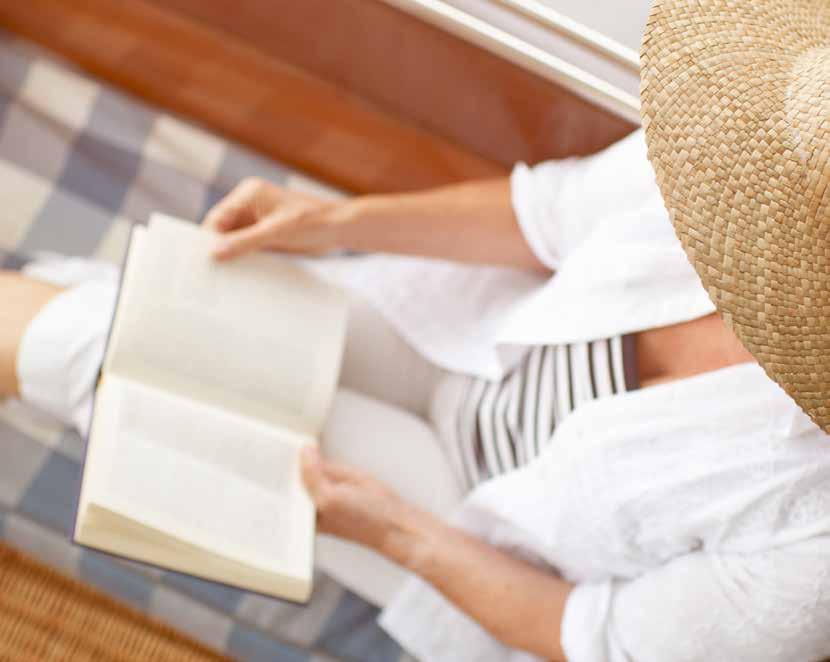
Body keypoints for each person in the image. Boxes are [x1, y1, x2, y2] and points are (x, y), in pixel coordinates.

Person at [4, 1, 830, 658]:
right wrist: (329, 221)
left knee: (97, 343)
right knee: (146, 305)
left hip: (471, 518)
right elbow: (545, 215)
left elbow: (595, 636)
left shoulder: (814, 543)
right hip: (465, 337)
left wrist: (397, 535)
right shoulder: (754, 153)